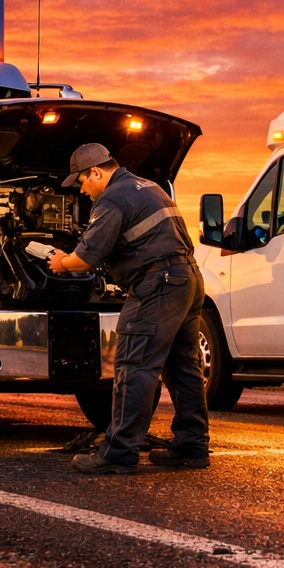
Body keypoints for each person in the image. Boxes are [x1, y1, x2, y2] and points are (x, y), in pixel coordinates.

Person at [49, 143, 209, 474]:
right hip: (188, 278)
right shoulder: (148, 186)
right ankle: (192, 447)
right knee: (182, 368)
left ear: (96, 172)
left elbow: (85, 258)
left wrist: (61, 262)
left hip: (158, 285)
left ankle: (119, 453)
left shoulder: (112, 198)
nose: (82, 190)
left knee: (134, 366)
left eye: (81, 181)